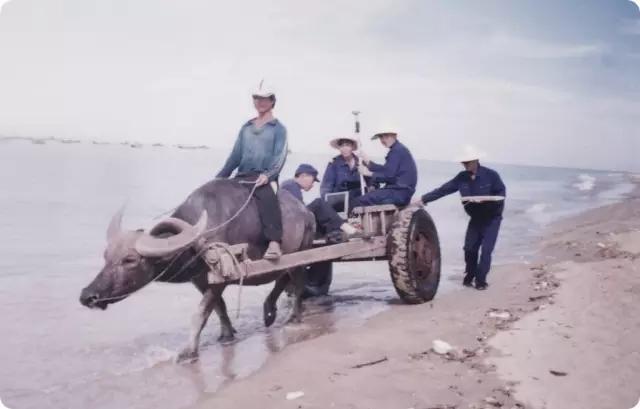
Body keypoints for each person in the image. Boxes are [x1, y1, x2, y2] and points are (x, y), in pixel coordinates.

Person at [412, 146, 506, 290]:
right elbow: (444, 190)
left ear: (476, 160)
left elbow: (501, 196)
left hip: (491, 219)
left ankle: (481, 281)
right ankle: (470, 274)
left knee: (486, 250)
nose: (465, 165)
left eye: (468, 162)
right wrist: (423, 199)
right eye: (464, 162)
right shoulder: (462, 177)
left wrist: (488, 204)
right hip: (475, 219)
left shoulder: (492, 175)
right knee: (469, 249)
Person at [216, 80, 287, 260]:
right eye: (257, 98)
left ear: (272, 101)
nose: (260, 102)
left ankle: (274, 242)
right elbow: (234, 157)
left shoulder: (278, 129)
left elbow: (280, 157)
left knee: (268, 201)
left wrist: (268, 176)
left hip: (262, 178)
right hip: (241, 176)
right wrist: (219, 179)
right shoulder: (246, 127)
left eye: (264, 99)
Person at [280, 164, 366, 243]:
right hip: (294, 223)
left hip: (293, 223)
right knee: (319, 203)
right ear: (303, 176)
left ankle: (335, 234)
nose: (312, 184)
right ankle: (348, 230)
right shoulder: (291, 185)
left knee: (322, 214)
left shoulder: (289, 185)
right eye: (313, 180)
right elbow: (298, 211)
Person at [352, 127, 417, 209]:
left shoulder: (396, 151)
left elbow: (388, 176)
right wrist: (368, 161)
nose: (383, 140)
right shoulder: (399, 149)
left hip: (398, 193)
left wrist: (368, 173)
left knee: (357, 201)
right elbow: (386, 170)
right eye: (381, 137)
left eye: (386, 136)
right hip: (402, 193)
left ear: (394, 136)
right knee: (370, 195)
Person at [320, 137, 369, 203]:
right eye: (342, 146)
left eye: (347, 145)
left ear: (352, 146)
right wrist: (327, 203)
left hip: (357, 198)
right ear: (339, 148)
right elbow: (326, 187)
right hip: (339, 200)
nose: (344, 148)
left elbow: (371, 181)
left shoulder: (360, 161)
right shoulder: (334, 164)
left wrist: (371, 188)